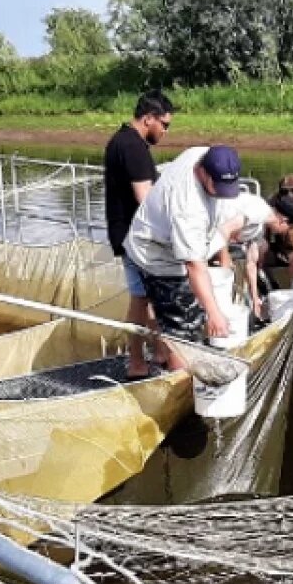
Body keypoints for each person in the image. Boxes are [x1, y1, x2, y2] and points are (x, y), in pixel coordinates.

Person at [122, 145, 253, 370]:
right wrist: (213, 312)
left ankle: (139, 363)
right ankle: (179, 387)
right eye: (218, 186)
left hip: (139, 237)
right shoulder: (188, 207)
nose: (222, 192)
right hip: (159, 257)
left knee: (142, 301)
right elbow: (194, 266)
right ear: (202, 172)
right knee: (183, 329)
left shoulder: (198, 153)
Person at [103, 88, 175, 378]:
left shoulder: (122, 140)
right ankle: (136, 362)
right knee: (140, 299)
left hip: (127, 232)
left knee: (148, 297)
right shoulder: (133, 147)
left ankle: (158, 352)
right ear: (149, 119)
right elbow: (146, 199)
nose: (166, 132)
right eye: (165, 125)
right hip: (135, 237)